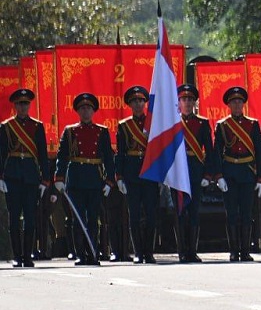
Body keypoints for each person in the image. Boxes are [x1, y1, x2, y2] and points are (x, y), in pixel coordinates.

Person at [53, 93, 115, 266]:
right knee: (78, 219)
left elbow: (108, 158)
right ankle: (80, 254)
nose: (85, 111)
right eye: (82, 108)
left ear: (93, 111)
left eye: (88, 108)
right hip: (76, 179)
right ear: (78, 111)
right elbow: (62, 156)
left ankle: (93, 252)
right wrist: (59, 177)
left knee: (93, 218)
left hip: (94, 179)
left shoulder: (101, 131)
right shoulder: (70, 131)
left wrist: (110, 181)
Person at [0, 89, 49, 268]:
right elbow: (1, 153)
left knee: (30, 217)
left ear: (29, 105)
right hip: (12, 175)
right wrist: (0, 177)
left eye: (26, 103)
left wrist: (45, 180)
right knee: (14, 218)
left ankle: (27, 256)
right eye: (20, 104)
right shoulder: (6, 126)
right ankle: (17, 256)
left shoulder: (37, 126)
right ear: (15, 106)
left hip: (30, 176)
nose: (23, 107)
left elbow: (42, 154)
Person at [214, 86, 261, 262]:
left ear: (243, 104)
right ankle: (234, 250)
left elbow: (259, 152)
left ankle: (245, 250)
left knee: (247, 214)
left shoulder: (252, 124)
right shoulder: (223, 125)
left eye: (239, 102)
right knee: (232, 214)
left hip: (248, 173)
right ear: (229, 105)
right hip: (229, 173)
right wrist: (218, 176)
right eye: (234, 102)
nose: (237, 105)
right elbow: (217, 152)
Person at [116, 85, 159, 264]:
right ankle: (138, 252)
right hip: (132, 174)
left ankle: (149, 251)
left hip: (150, 172)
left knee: (151, 214)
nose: (138, 104)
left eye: (141, 101)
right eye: (134, 101)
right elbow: (121, 152)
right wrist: (119, 176)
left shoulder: (154, 123)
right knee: (134, 215)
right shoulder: (124, 126)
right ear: (130, 104)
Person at [176, 84, 215, 263]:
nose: (188, 102)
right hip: (177, 172)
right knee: (179, 212)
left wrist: (208, 175)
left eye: (191, 99)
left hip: (195, 170)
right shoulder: (173, 123)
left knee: (194, 211)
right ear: (179, 102)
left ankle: (192, 250)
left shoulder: (202, 123)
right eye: (184, 99)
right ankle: (181, 251)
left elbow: (210, 151)